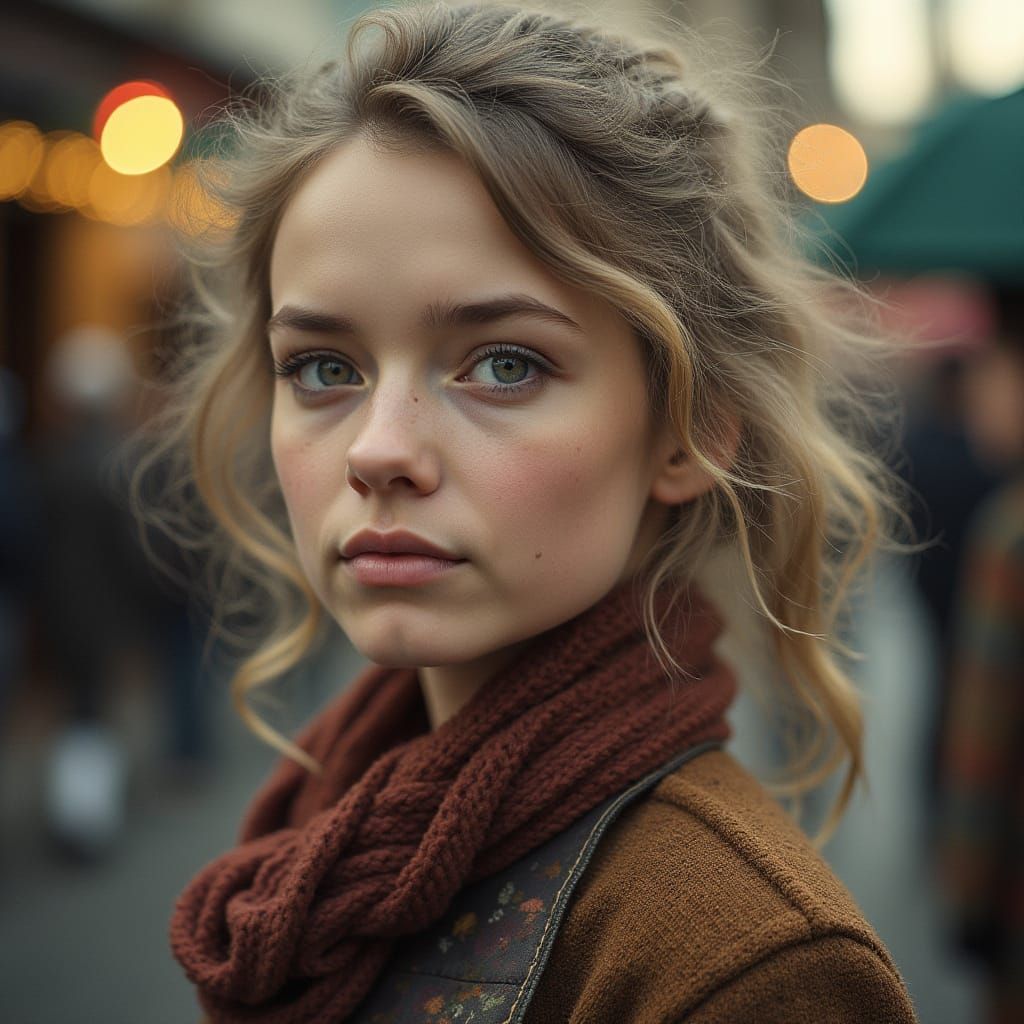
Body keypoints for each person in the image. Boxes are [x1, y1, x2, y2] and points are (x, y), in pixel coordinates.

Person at [131, 2, 924, 1020]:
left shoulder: (752, 966)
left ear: (691, 428)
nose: (378, 450)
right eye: (323, 367)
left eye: (504, 364)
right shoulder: (326, 828)